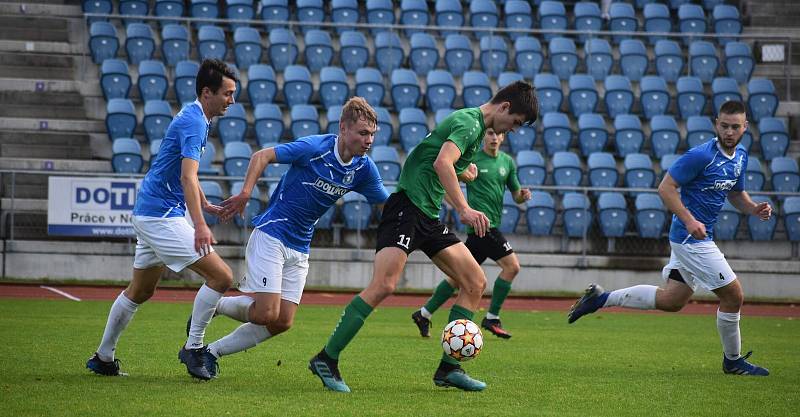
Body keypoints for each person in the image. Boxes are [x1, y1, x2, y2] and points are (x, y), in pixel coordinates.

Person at [308, 81, 539, 393]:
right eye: (514, 123)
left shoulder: (472, 127)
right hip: (406, 209)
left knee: (474, 281)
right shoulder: (469, 123)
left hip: (427, 216)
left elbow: (434, 162)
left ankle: (449, 368)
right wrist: (465, 208)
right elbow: (441, 162)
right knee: (385, 285)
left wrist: (461, 172)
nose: (510, 131)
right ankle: (326, 358)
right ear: (505, 108)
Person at [567, 100, 771, 376]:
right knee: (734, 295)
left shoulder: (741, 156)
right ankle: (732, 361)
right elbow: (665, 188)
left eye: (736, 127)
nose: (730, 132)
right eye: (724, 126)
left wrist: (754, 208)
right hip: (690, 239)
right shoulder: (700, 156)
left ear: (745, 127)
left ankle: (601, 299)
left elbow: (736, 194)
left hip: (697, 237)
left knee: (672, 300)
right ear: (716, 124)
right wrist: (689, 220)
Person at [193, 97, 389, 378]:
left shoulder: (364, 168)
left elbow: (388, 204)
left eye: (372, 134)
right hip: (272, 233)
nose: (369, 140)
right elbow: (262, 156)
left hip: (301, 245)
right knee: (266, 314)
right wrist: (246, 193)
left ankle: (212, 351)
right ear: (343, 129)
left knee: (283, 321)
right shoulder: (316, 148)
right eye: (362, 133)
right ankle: (216, 305)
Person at [86, 59, 237, 380]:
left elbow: (184, 177)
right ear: (207, 92)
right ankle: (194, 348)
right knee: (222, 277)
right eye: (227, 93)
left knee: (140, 291)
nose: (232, 101)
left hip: (153, 211)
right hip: (160, 216)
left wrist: (204, 204)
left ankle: (103, 358)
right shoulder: (195, 122)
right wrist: (199, 225)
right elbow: (187, 176)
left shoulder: (196, 116)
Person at [411, 128, 532, 340]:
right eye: (490, 133)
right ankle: (492, 317)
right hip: (484, 226)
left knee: (458, 278)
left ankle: (424, 313)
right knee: (512, 267)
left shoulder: (507, 162)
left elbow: (516, 196)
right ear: (485, 136)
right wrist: (461, 207)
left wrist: (523, 196)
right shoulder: (473, 159)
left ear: (503, 137)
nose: (494, 138)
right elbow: (444, 176)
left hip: (486, 227)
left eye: (498, 134)